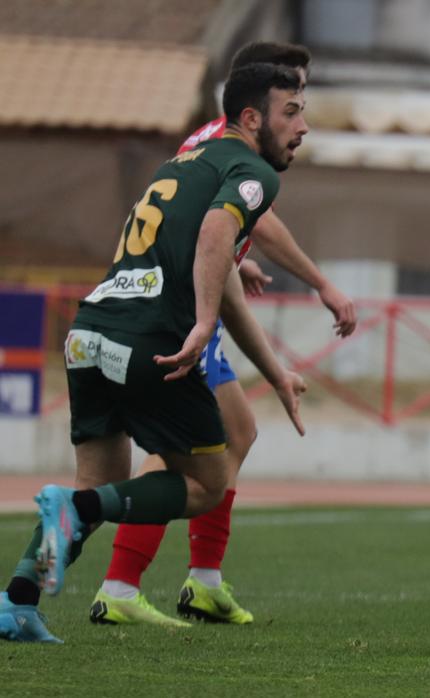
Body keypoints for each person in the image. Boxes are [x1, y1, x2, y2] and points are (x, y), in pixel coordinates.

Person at [0, 62, 310, 644]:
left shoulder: (187, 161)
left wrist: (274, 372)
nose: (303, 126)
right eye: (291, 111)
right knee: (207, 483)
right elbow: (219, 235)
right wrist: (203, 322)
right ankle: (84, 520)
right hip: (145, 341)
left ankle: (18, 599)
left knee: (98, 485)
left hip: (89, 332)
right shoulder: (251, 173)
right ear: (251, 118)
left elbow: (222, 269)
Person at [86, 42, 355, 629]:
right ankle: (120, 584)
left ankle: (199, 581)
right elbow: (242, 219)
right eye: (291, 101)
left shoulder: (209, 141)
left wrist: (237, 256)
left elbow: (217, 224)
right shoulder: (226, 145)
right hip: (177, 311)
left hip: (186, 300)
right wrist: (321, 283)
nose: (301, 118)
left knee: (237, 431)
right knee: (177, 448)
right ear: (253, 102)